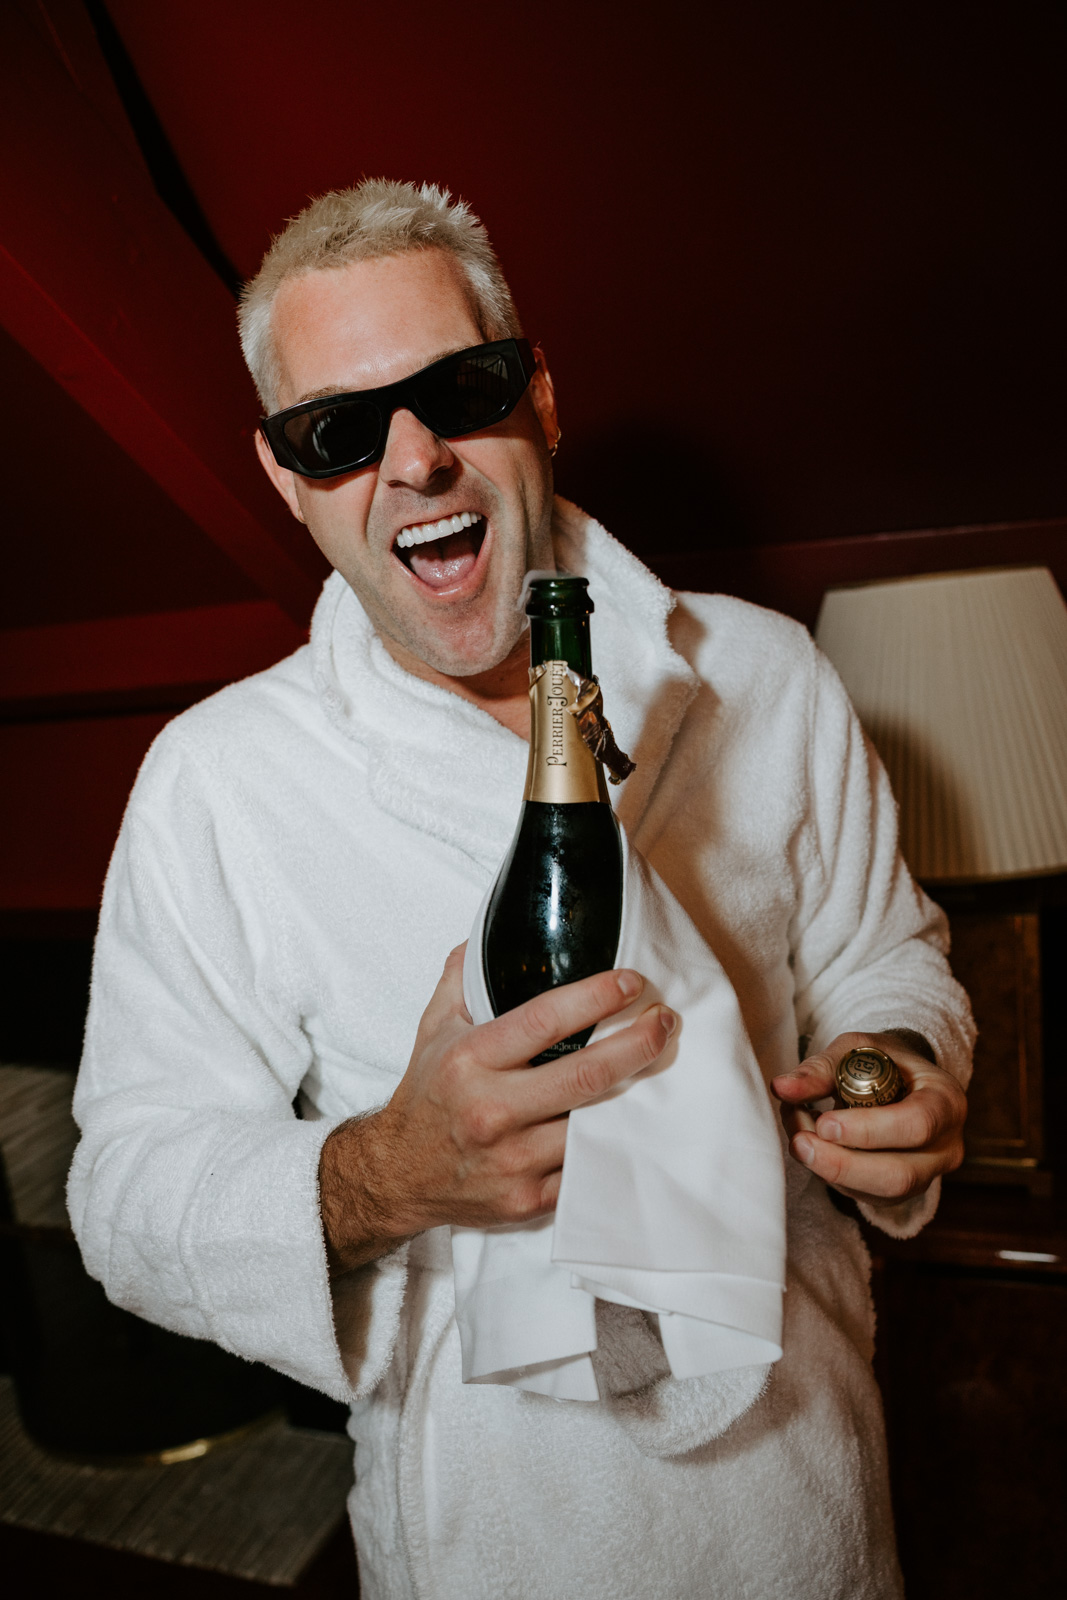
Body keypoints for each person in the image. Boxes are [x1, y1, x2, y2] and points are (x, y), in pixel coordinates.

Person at [70, 179, 973, 1600]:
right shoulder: (216, 783)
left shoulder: (768, 677)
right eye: (340, 431)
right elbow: (122, 1199)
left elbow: (885, 960)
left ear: (539, 398)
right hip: (495, 1539)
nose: (415, 459)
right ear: (285, 478)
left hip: (808, 1500)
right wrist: (388, 1174)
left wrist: (898, 1067)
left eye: (461, 390)